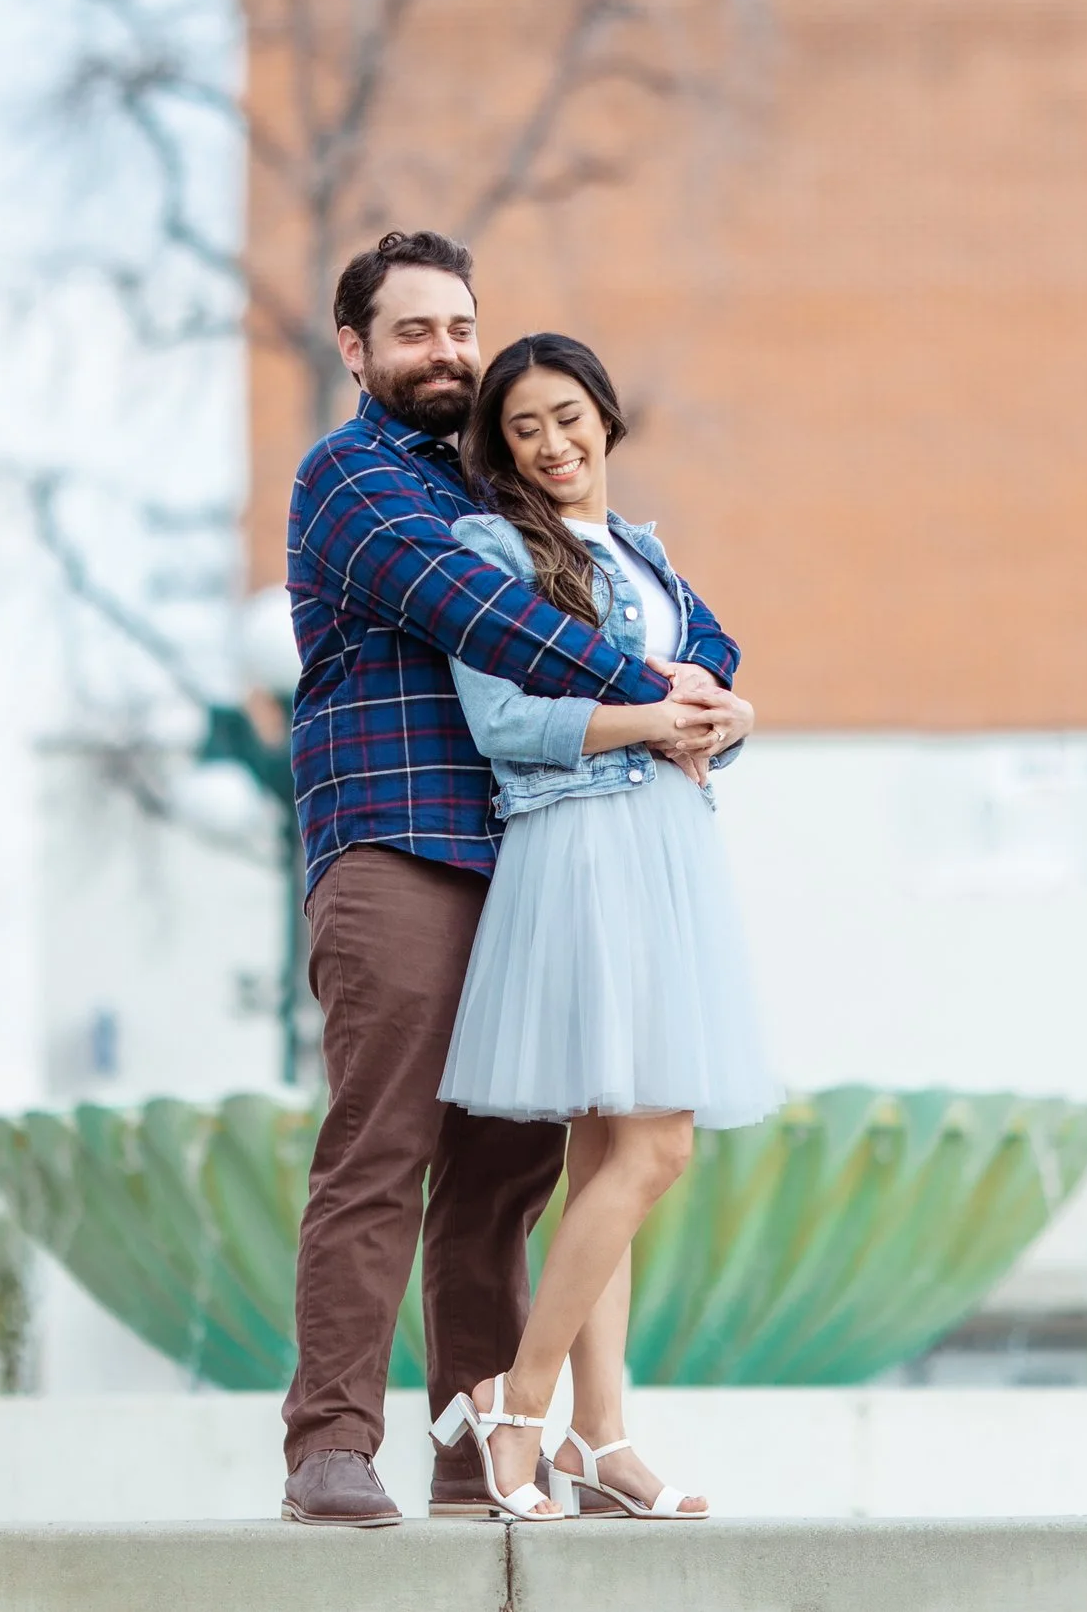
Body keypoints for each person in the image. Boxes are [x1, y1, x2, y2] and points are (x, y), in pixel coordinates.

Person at [278, 233, 750, 1527]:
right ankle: (328, 1441)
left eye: (459, 326)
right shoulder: (352, 480)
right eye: (414, 329)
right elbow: (483, 620)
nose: (444, 350)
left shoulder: (504, 489)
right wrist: (661, 695)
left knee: (505, 1174)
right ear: (358, 348)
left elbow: (662, 603)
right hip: (395, 844)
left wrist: (713, 688)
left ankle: (479, 1447)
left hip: (532, 861)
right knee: (383, 1146)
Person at [427, 333, 777, 1522]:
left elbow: (713, 691)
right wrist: (652, 718)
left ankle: (601, 1435)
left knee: (608, 1159)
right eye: (524, 427)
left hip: (665, 845)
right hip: (579, 848)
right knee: (657, 1147)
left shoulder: (644, 551)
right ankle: (514, 1404)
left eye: (568, 415)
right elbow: (504, 718)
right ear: (502, 448)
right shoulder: (489, 546)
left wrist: (726, 717)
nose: (553, 443)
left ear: (605, 416)